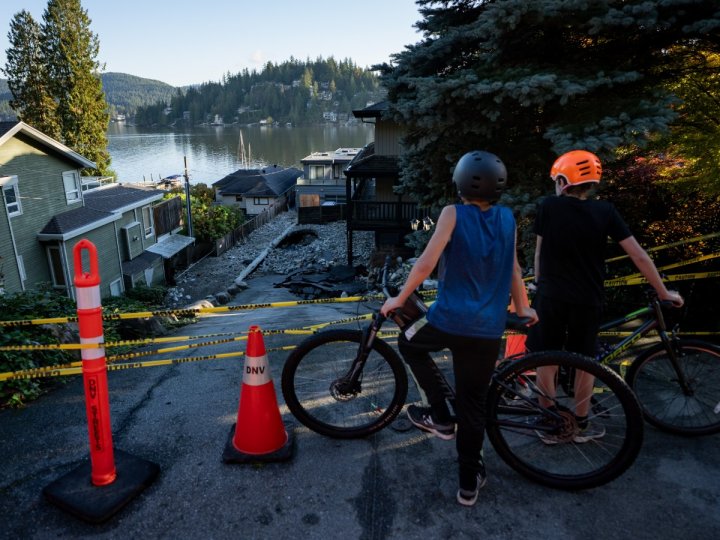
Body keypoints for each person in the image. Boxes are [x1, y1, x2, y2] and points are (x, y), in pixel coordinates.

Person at [380, 150, 537, 507]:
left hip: (446, 321)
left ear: (460, 182)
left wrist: (399, 298)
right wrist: (524, 307)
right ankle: (468, 484)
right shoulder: (508, 218)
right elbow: (514, 269)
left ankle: (439, 416)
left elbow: (426, 262)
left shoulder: (452, 213)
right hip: (486, 330)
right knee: (473, 406)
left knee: (409, 343)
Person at [526, 149, 684, 444]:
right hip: (588, 298)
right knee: (586, 362)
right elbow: (637, 254)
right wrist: (663, 291)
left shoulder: (548, 206)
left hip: (551, 296)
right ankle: (583, 424)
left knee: (545, 358)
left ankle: (548, 422)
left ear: (563, 180)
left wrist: (538, 282)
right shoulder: (606, 211)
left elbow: (539, 252)